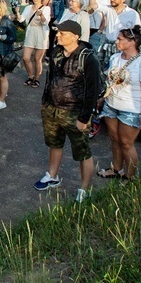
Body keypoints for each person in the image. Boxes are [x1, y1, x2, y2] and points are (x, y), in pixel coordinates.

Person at [34, 21, 100, 203]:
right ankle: (52, 175)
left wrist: (84, 117)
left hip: (74, 111)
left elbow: (93, 91)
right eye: (58, 32)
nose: (58, 35)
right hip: (51, 108)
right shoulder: (55, 51)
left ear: (76, 36)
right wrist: (46, 102)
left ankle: (84, 188)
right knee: (54, 143)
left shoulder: (87, 58)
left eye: (63, 33)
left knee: (82, 151)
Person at [97, 27, 141, 181]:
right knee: (114, 138)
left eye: (120, 39)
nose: (116, 41)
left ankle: (129, 176)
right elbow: (110, 81)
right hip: (111, 105)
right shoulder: (115, 58)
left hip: (131, 109)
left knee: (126, 143)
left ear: (132, 42)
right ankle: (116, 168)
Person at [0, 0, 17, 110]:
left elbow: (13, 37)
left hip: (2, 53)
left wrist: (0, 37)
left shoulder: (6, 21)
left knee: (2, 76)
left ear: (0, 8)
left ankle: (2, 99)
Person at [21, 0, 50, 87]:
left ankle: (36, 79)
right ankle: (30, 76)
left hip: (41, 33)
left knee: (37, 59)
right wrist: (17, 12)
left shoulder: (46, 8)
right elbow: (22, 19)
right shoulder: (29, 7)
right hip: (31, 32)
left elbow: (45, 22)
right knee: (26, 58)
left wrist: (41, 15)